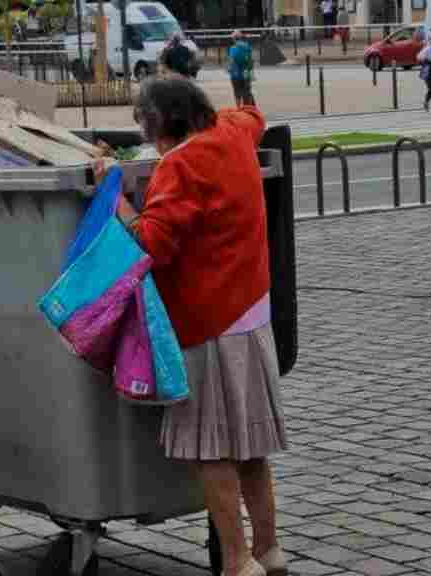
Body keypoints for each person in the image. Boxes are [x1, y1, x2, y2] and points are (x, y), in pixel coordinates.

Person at [103, 77, 288, 576]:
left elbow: (151, 246)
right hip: (252, 316)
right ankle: (269, 552)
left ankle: (236, 561)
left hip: (207, 324)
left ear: (159, 124)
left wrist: (115, 195)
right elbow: (254, 115)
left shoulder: (180, 166)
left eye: (144, 124)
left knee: (212, 451)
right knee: (250, 448)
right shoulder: (231, 132)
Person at [227, 30, 255, 107]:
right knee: (247, 92)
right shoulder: (248, 47)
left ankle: (239, 109)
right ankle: (248, 109)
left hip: (235, 74)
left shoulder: (233, 48)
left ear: (234, 39)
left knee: (237, 93)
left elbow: (231, 61)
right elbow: (250, 61)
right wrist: (251, 73)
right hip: (246, 73)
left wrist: (229, 69)